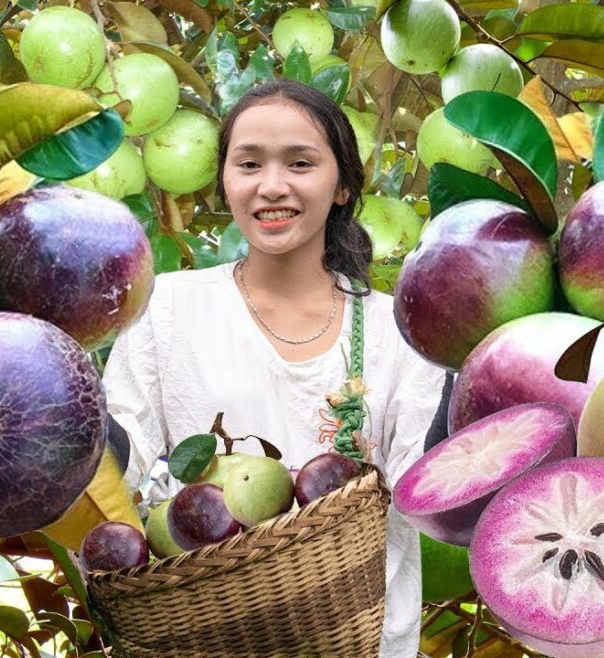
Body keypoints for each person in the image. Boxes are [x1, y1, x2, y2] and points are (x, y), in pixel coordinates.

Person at [103, 79, 448, 658]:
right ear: (225, 181)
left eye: (300, 163)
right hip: (210, 636)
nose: (271, 186)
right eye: (249, 163)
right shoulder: (168, 307)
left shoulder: (400, 329)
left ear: (341, 186)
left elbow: (431, 495)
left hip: (363, 642)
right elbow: (117, 465)